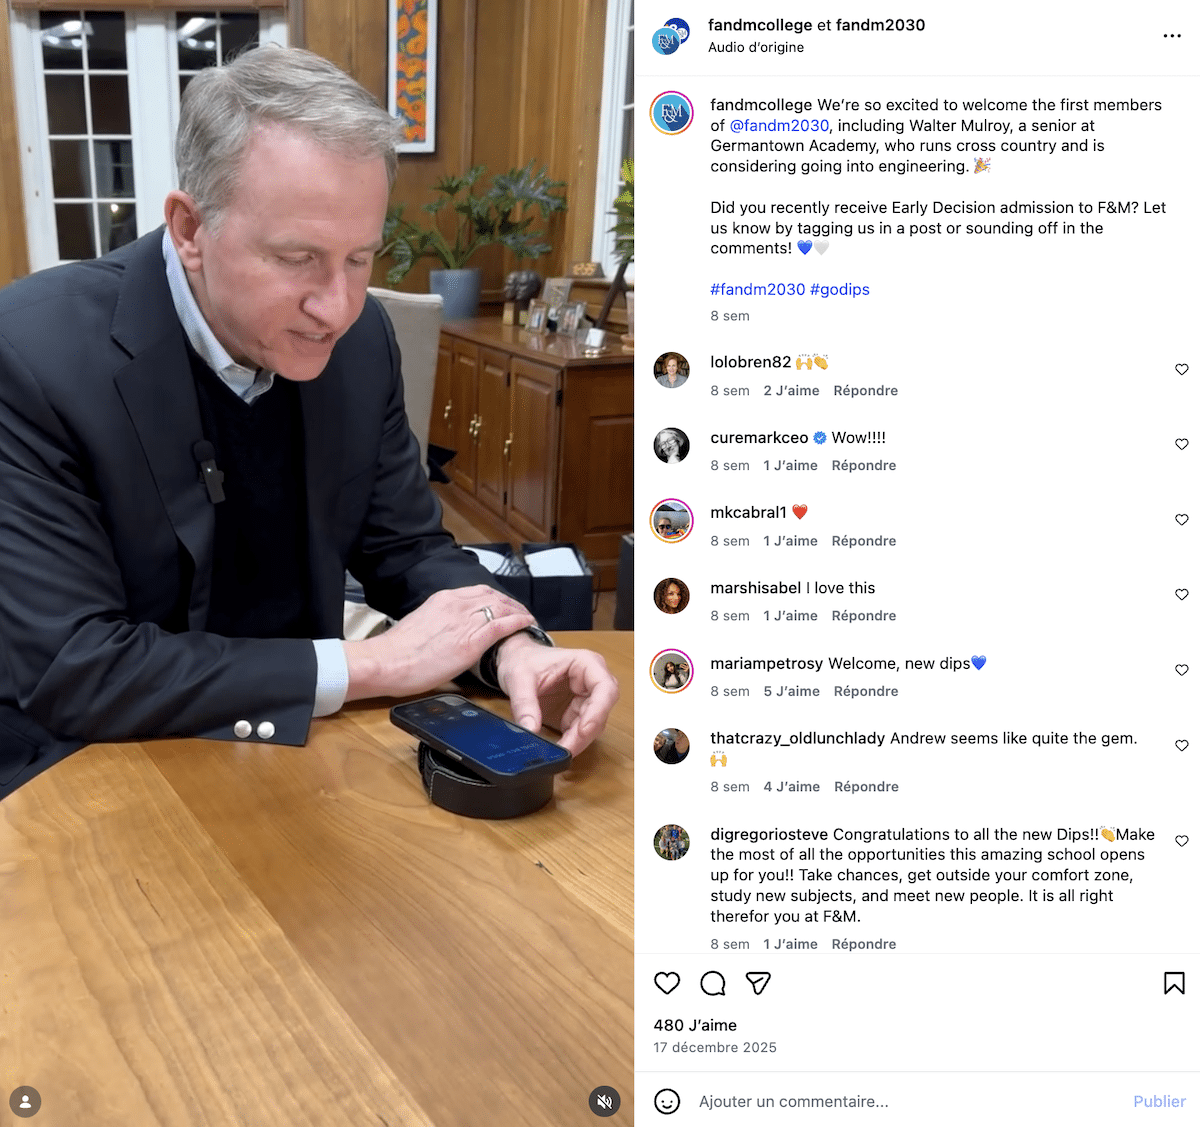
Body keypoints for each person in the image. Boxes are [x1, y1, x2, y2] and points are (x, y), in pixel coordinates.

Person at [0, 46, 617, 798]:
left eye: (360, 257)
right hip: (91, 770)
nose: (338, 307)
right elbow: (75, 668)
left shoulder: (362, 344)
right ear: (190, 228)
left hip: (301, 753)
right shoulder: (33, 356)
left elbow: (406, 545)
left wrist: (509, 645)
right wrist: (375, 665)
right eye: (298, 258)